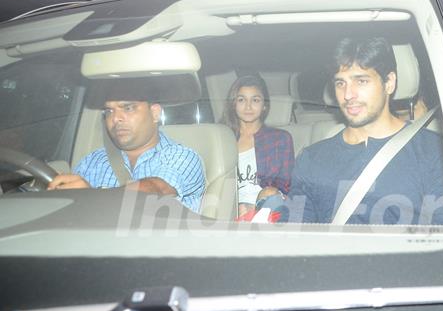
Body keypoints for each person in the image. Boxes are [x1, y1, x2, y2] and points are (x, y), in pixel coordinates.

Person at [258, 37, 443, 225]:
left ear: (389, 82)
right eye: (341, 83)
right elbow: (296, 237)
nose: (348, 95)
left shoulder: (433, 152)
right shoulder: (312, 159)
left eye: (361, 81)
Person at [48, 97, 206, 213]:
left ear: (155, 113)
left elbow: (157, 189)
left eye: (128, 108)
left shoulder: (182, 157)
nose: (115, 118)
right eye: (109, 111)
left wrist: (92, 197)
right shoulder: (91, 162)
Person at [221, 72, 294, 221]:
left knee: (270, 194)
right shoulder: (222, 138)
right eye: (241, 100)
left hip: (266, 208)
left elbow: (286, 186)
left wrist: (253, 207)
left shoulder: (279, 139)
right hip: (228, 210)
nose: (248, 106)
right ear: (233, 104)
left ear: (264, 106)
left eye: (255, 100)